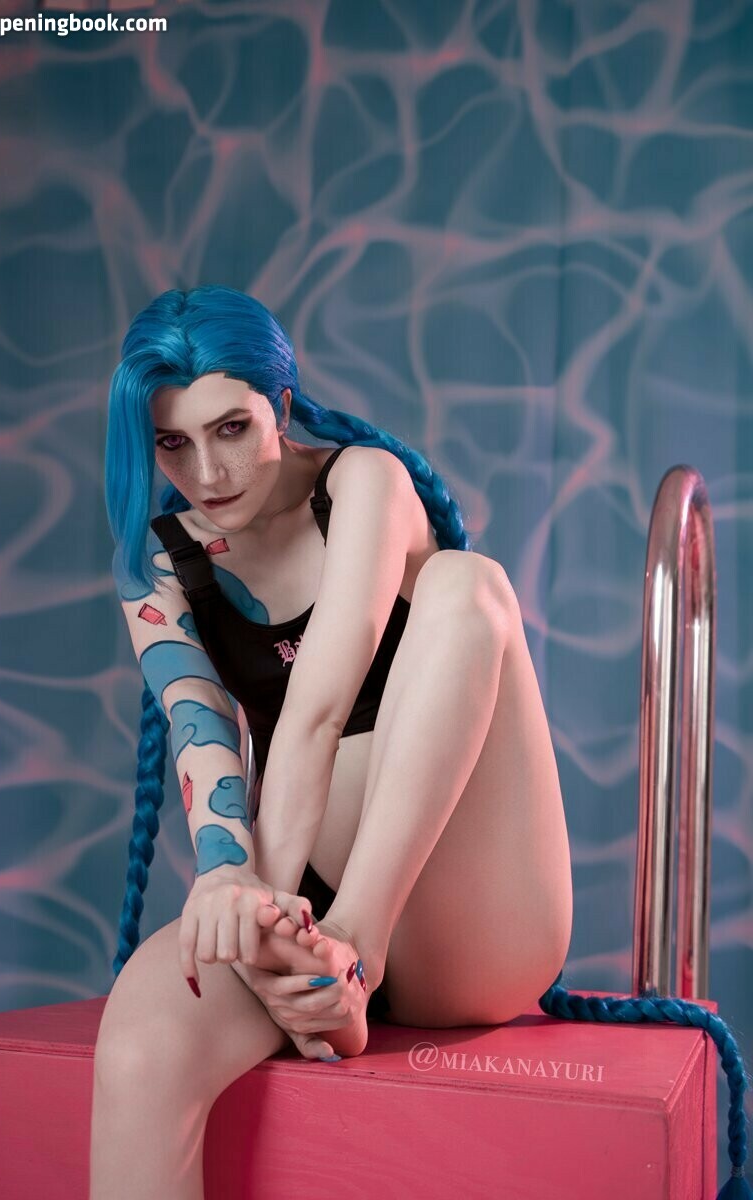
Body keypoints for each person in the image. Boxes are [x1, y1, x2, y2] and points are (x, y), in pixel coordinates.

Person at [91, 285, 750, 1200]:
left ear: (280, 405)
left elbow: (318, 711)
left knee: (465, 586)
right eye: (173, 443)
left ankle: (355, 952)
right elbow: (201, 736)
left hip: (462, 924)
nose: (207, 472)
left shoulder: (364, 482)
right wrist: (236, 887)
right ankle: (323, 966)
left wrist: (315, 934)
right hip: (303, 906)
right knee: (139, 1039)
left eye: (231, 428)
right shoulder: (158, 560)